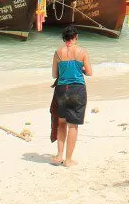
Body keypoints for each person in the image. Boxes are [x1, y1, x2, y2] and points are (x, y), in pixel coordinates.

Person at [51, 25, 92, 167]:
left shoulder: (58, 52)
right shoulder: (82, 52)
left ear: (64, 38)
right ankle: (68, 160)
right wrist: (81, 69)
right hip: (77, 90)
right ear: (76, 37)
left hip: (62, 89)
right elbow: (89, 72)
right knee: (73, 125)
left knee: (61, 122)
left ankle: (59, 156)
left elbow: (54, 75)